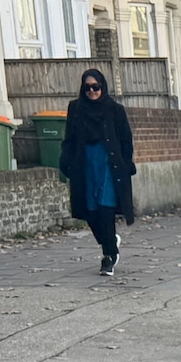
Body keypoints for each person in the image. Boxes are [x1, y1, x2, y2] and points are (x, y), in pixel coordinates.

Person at [60, 69, 136, 276]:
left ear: (103, 87)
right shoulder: (75, 109)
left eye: (96, 87)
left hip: (109, 166)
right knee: (89, 211)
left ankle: (109, 257)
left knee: (105, 210)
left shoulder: (115, 110)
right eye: (87, 87)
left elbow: (126, 140)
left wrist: (126, 163)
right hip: (85, 166)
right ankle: (109, 240)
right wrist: (65, 161)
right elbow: (70, 139)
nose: (92, 91)